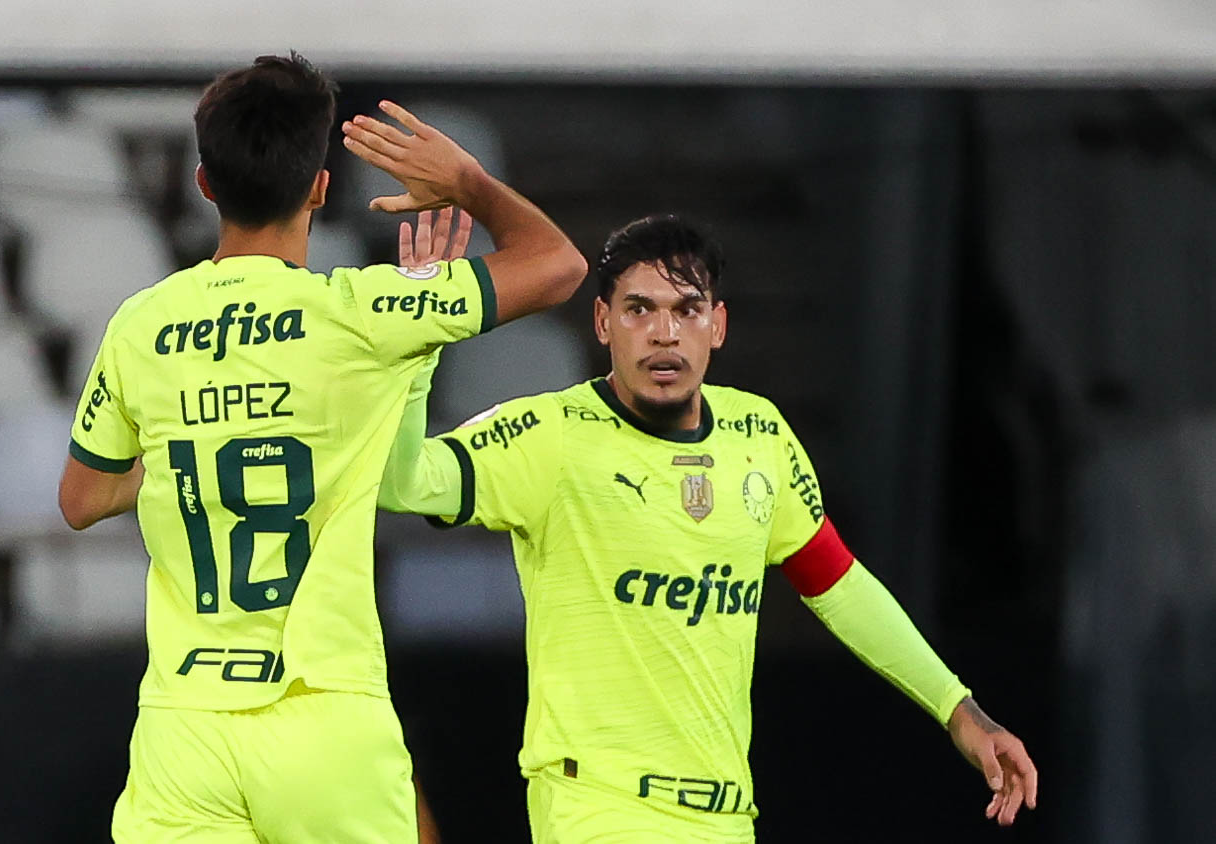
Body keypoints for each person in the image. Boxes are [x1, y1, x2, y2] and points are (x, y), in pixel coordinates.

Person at [56, 53, 586, 843]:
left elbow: (82, 499)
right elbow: (558, 266)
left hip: (185, 726)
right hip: (323, 717)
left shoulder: (142, 324)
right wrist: (467, 183)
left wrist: (195, 441)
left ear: (205, 184)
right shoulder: (361, 315)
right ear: (319, 187)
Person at [380, 213, 1038, 842]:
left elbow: (839, 586)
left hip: (724, 816)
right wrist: (417, 345)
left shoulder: (760, 434)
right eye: (639, 309)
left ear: (717, 325)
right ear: (603, 322)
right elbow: (405, 483)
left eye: (687, 309)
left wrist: (959, 710)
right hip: (599, 807)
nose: (664, 333)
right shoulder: (551, 435)